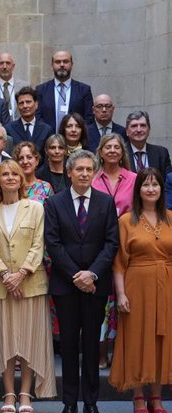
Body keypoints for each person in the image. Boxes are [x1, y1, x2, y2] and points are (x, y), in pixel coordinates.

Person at [44, 149, 119, 413]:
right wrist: (77, 274)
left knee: (90, 344)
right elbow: (53, 243)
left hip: (95, 286)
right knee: (68, 347)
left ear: (95, 172)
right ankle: (69, 404)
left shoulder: (105, 202)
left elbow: (111, 243)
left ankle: (90, 404)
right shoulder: (54, 203)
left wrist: (93, 275)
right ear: (69, 172)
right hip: (66, 285)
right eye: (80, 169)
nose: (85, 174)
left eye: (89, 169)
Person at [0, 160, 56, 413]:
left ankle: (26, 393)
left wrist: (21, 273)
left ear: (22, 180)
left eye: (15, 174)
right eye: (5, 174)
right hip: (0, 287)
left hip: (30, 285)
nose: (10, 178)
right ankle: (8, 393)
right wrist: (5, 275)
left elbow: (39, 243)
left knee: (29, 341)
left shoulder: (35, 208)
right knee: (5, 340)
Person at [109, 168, 172, 413]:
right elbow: (119, 263)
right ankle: (137, 395)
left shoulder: (170, 217)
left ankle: (156, 396)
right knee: (137, 338)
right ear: (138, 190)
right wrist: (121, 294)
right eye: (146, 185)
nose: (151, 189)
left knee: (161, 338)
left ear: (161, 189)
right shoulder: (126, 221)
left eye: (155, 185)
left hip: (167, 285)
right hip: (136, 286)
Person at [91, 133, 137, 369]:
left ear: (122, 152)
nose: (111, 151)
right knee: (102, 302)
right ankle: (101, 352)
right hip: (98, 247)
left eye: (116, 147)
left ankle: (121, 351)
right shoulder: (92, 178)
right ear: (100, 151)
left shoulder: (134, 179)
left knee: (124, 298)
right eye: (107, 147)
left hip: (127, 246)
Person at [35, 50, 94, 132]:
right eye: (58, 62)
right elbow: (38, 117)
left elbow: (89, 118)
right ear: (52, 65)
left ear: (72, 65)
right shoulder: (41, 90)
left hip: (75, 140)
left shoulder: (84, 90)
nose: (62, 65)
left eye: (65, 61)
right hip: (48, 141)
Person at [4, 86, 54, 154]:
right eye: (21, 103)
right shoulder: (9, 129)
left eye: (28, 102)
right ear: (18, 106)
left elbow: (48, 156)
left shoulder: (47, 130)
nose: (25, 106)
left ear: (36, 105)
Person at [124, 111, 171, 176]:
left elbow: (168, 183)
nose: (139, 130)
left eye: (143, 125)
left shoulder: (162, 153)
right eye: (134, 126)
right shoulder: (120, 152)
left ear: (149, 130)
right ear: (127, 131)